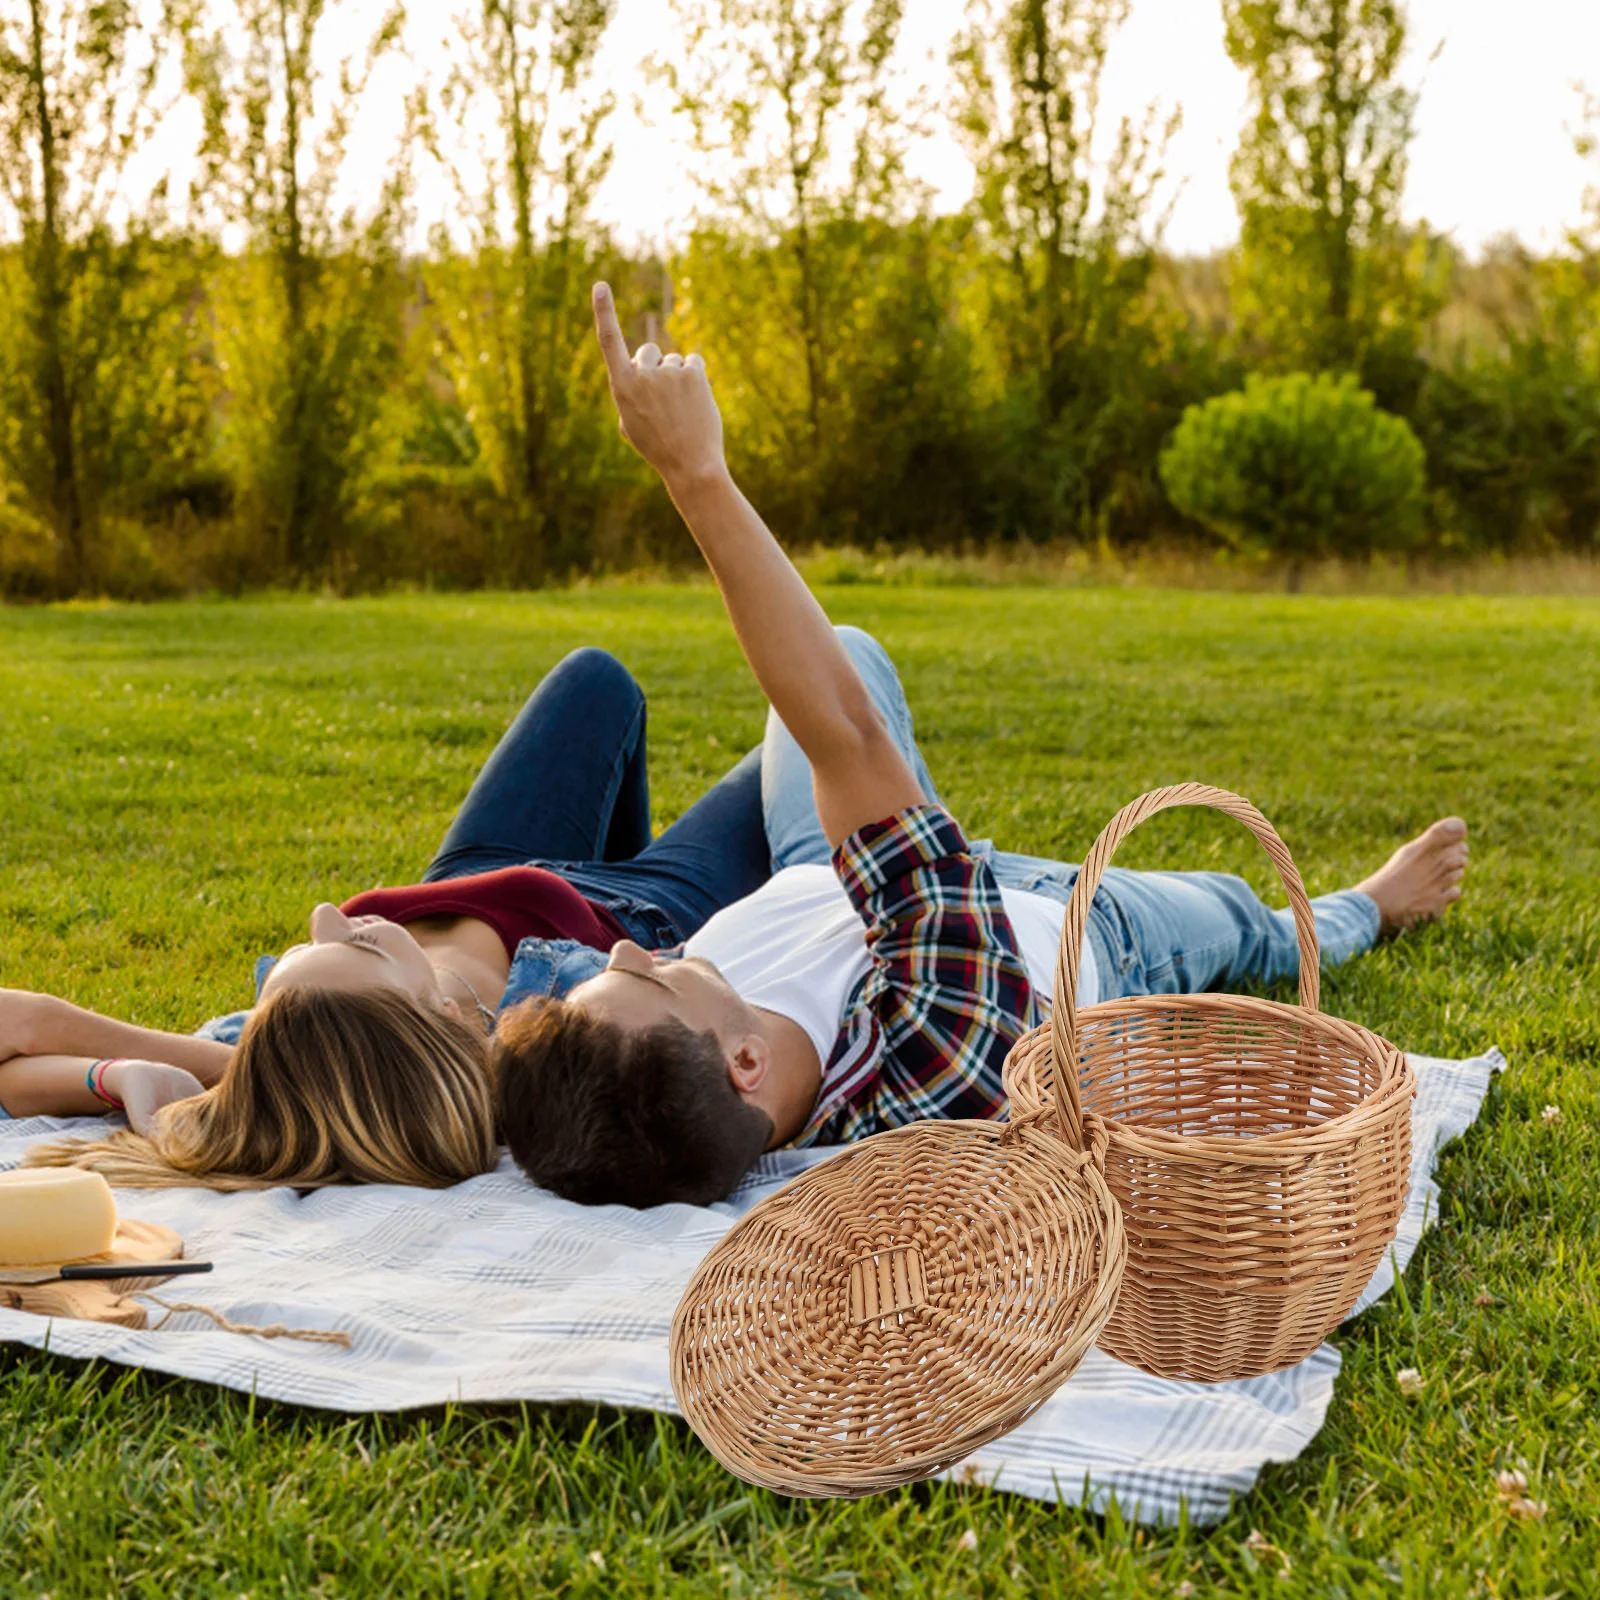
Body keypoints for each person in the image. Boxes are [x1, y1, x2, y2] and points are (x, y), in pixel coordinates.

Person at [490, 282, 1471, 1209]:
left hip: (821, 869)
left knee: (851, 651)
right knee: (1244, 921)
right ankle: (1368, 905)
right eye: (644, 975)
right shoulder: (931, 1054)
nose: (623, 948)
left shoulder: (651, 1080)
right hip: (1079, 925)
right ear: (745, 1067)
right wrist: (693, 471)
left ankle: (915, 854)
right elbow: (848, 734)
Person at [3, 647, 774, 1188]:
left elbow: (15, 1037)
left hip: (478, 871)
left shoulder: (294, 1045)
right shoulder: (547, 1049)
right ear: (440, 1015)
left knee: (596, 679)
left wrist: (124, 1072)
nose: (328, 915)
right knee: (797, 735)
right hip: (635, 911)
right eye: (364, 948)